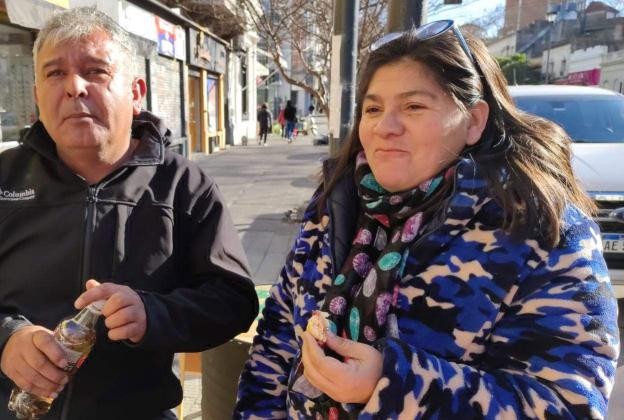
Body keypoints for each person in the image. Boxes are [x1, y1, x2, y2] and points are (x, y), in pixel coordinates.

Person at [235, 19, 618, 419]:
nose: (386, 127)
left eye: (414, 106)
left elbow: (569, 406)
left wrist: (391, 386)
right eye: (373, 108)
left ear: (473, 121)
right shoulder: (335, 207)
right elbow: (277, 341)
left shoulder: (540, 231)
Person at [0, 7, 257, 420]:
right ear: (38, 94)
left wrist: (153, 314)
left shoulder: (183, 185)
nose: (74, 86)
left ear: (136, 90)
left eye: (95, 71)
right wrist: (3, 343)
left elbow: (233, 300)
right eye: (55, 74)